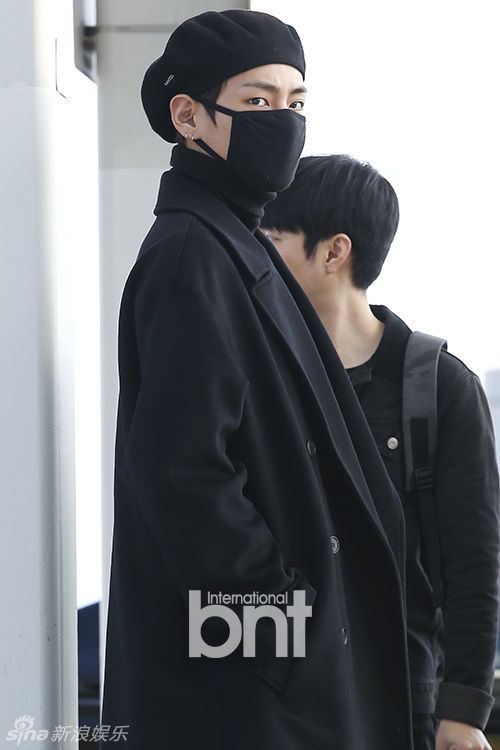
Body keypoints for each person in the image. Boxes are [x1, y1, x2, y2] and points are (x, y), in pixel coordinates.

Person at [101, 11, 414, 750]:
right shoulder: (192, 254)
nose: (285, 121)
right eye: (257, 101)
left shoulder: (233, 239)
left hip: (264, 672)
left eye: (296, 101)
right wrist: (287, 634)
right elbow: (185, 476)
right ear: (188, 117)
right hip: (247, 689)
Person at [262, 153, 500, 750]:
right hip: (280, 694)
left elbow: (475, 563)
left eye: (273, 238)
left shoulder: (440, 386)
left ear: (333, 252)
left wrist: (465, 708)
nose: (256, 255)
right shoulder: (262, 377)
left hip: (401, 700)